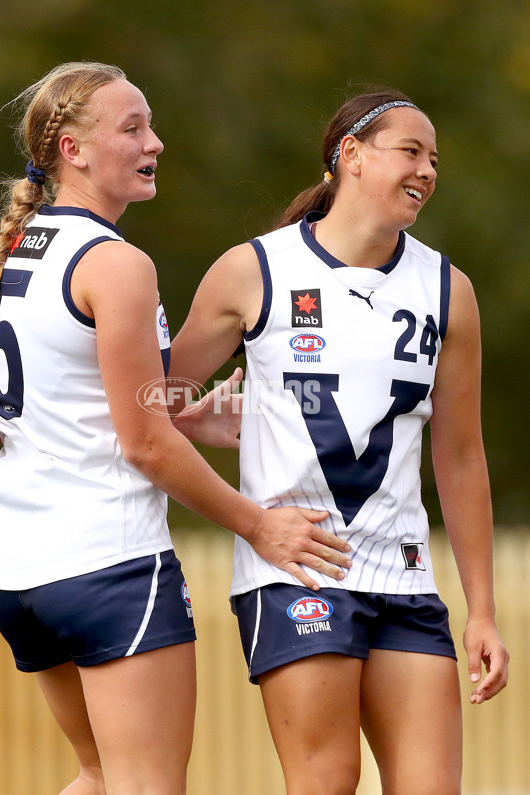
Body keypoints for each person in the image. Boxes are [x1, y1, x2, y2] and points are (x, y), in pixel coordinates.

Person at [0, 61, 351, 795]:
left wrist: (183, 415)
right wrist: (259, 525)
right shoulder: (116, 263)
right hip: (108, 566)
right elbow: (141, 444)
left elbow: (75, 398)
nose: (157, 141)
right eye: (132, 128)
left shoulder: (25, 244)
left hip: (19, 573)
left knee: (99, 776)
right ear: (73, 150)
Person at [164, 89, 510, 794]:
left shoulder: (448, 290)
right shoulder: (253, 270)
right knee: (327, 781)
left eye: (434, 159)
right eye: (411, 150)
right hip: (299, 570)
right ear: (349, 155)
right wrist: (19, 413)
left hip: (405, 575)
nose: (427, 170)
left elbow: (462, 457)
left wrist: (484, 610)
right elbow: (148, 398)